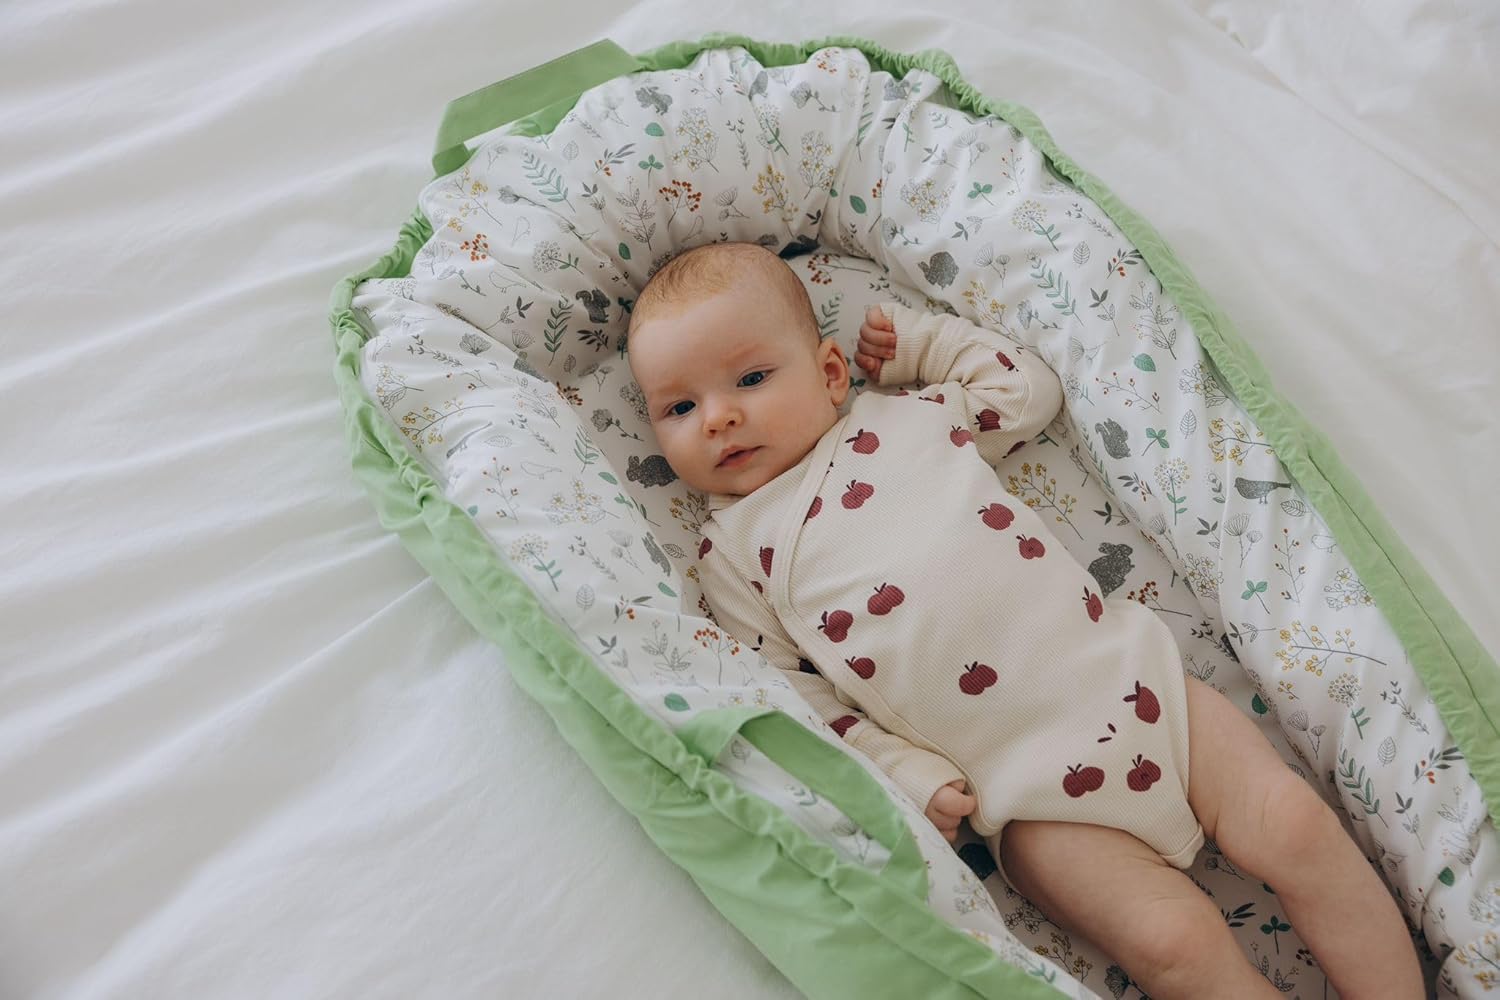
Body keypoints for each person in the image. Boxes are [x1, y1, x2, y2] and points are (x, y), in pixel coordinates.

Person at [624, 241, 1423, 999]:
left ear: (831, 372)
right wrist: (899, 769)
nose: (718, 417)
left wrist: (919, 344)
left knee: (1296, 826)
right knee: (1175, 946)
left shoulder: (907, 418)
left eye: (751, 378)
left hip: (1135, 685)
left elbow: (1025, 390)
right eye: (680, 406)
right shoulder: (733, 550)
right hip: (1028, 797)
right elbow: (791, 697)